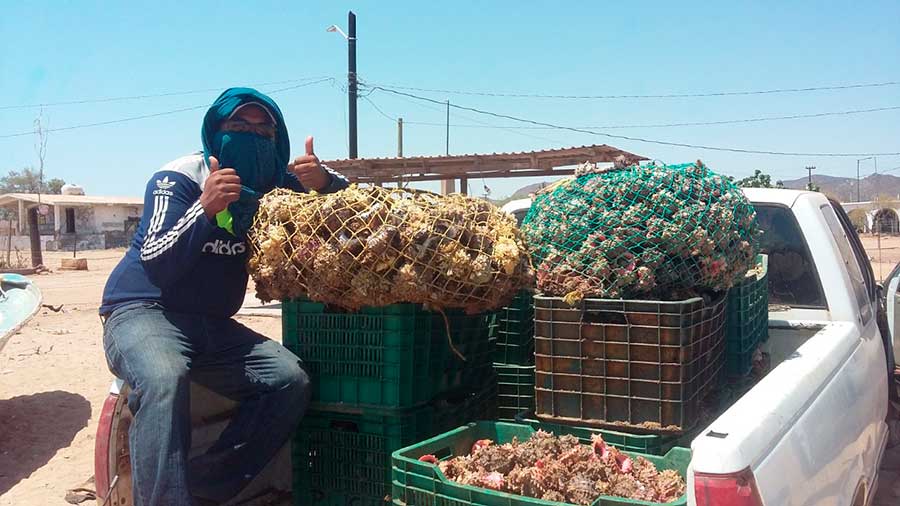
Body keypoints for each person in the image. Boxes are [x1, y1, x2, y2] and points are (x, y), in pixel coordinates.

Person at [99, 87, 349, 505]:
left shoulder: (276, 186)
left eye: (263, 129)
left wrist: (325, 182)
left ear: (277, 137)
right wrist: (205, 208)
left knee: (289, 380)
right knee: (164, 376)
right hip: (144, 311)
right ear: (216, 132)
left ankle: (202, 488)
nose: (251, 135)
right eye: (237, 126)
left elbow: (357, 214)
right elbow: (156, 260)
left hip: (213, 326)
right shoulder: (180, 176)